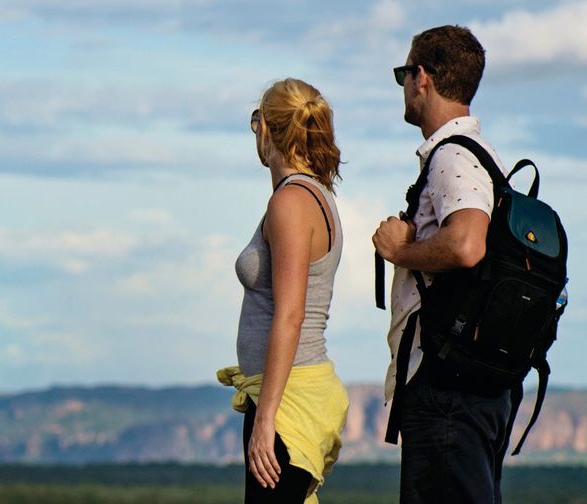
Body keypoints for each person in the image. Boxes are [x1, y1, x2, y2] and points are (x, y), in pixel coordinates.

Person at [371, 25, 510, 503]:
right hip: (470, 381)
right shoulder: (484, 157)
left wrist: (399, 250)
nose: (405, 88)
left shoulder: (453, 156)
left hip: (447, 385)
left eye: (402, 75)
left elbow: (467, 245)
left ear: (421, 77)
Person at [217, 77, 349, 504]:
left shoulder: (291, 202)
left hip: (288, 398)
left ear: (267, 129)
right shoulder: (315, 196)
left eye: (256, 121)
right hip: (289, 390)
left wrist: (266, 419)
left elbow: (290, 315)